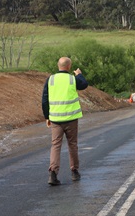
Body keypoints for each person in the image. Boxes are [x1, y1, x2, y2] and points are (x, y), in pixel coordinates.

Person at [42, 57, 88, 186]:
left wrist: (47, 117)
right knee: (72, 144)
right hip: (71, 119)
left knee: (55, 145)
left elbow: (44, 99)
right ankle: (74, 172)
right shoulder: (72, 79)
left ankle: (53, 173)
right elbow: (84, 84)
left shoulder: (50, 80)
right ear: (69, 67)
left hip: (56, 119)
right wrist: (79, 75)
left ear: (58, 66)